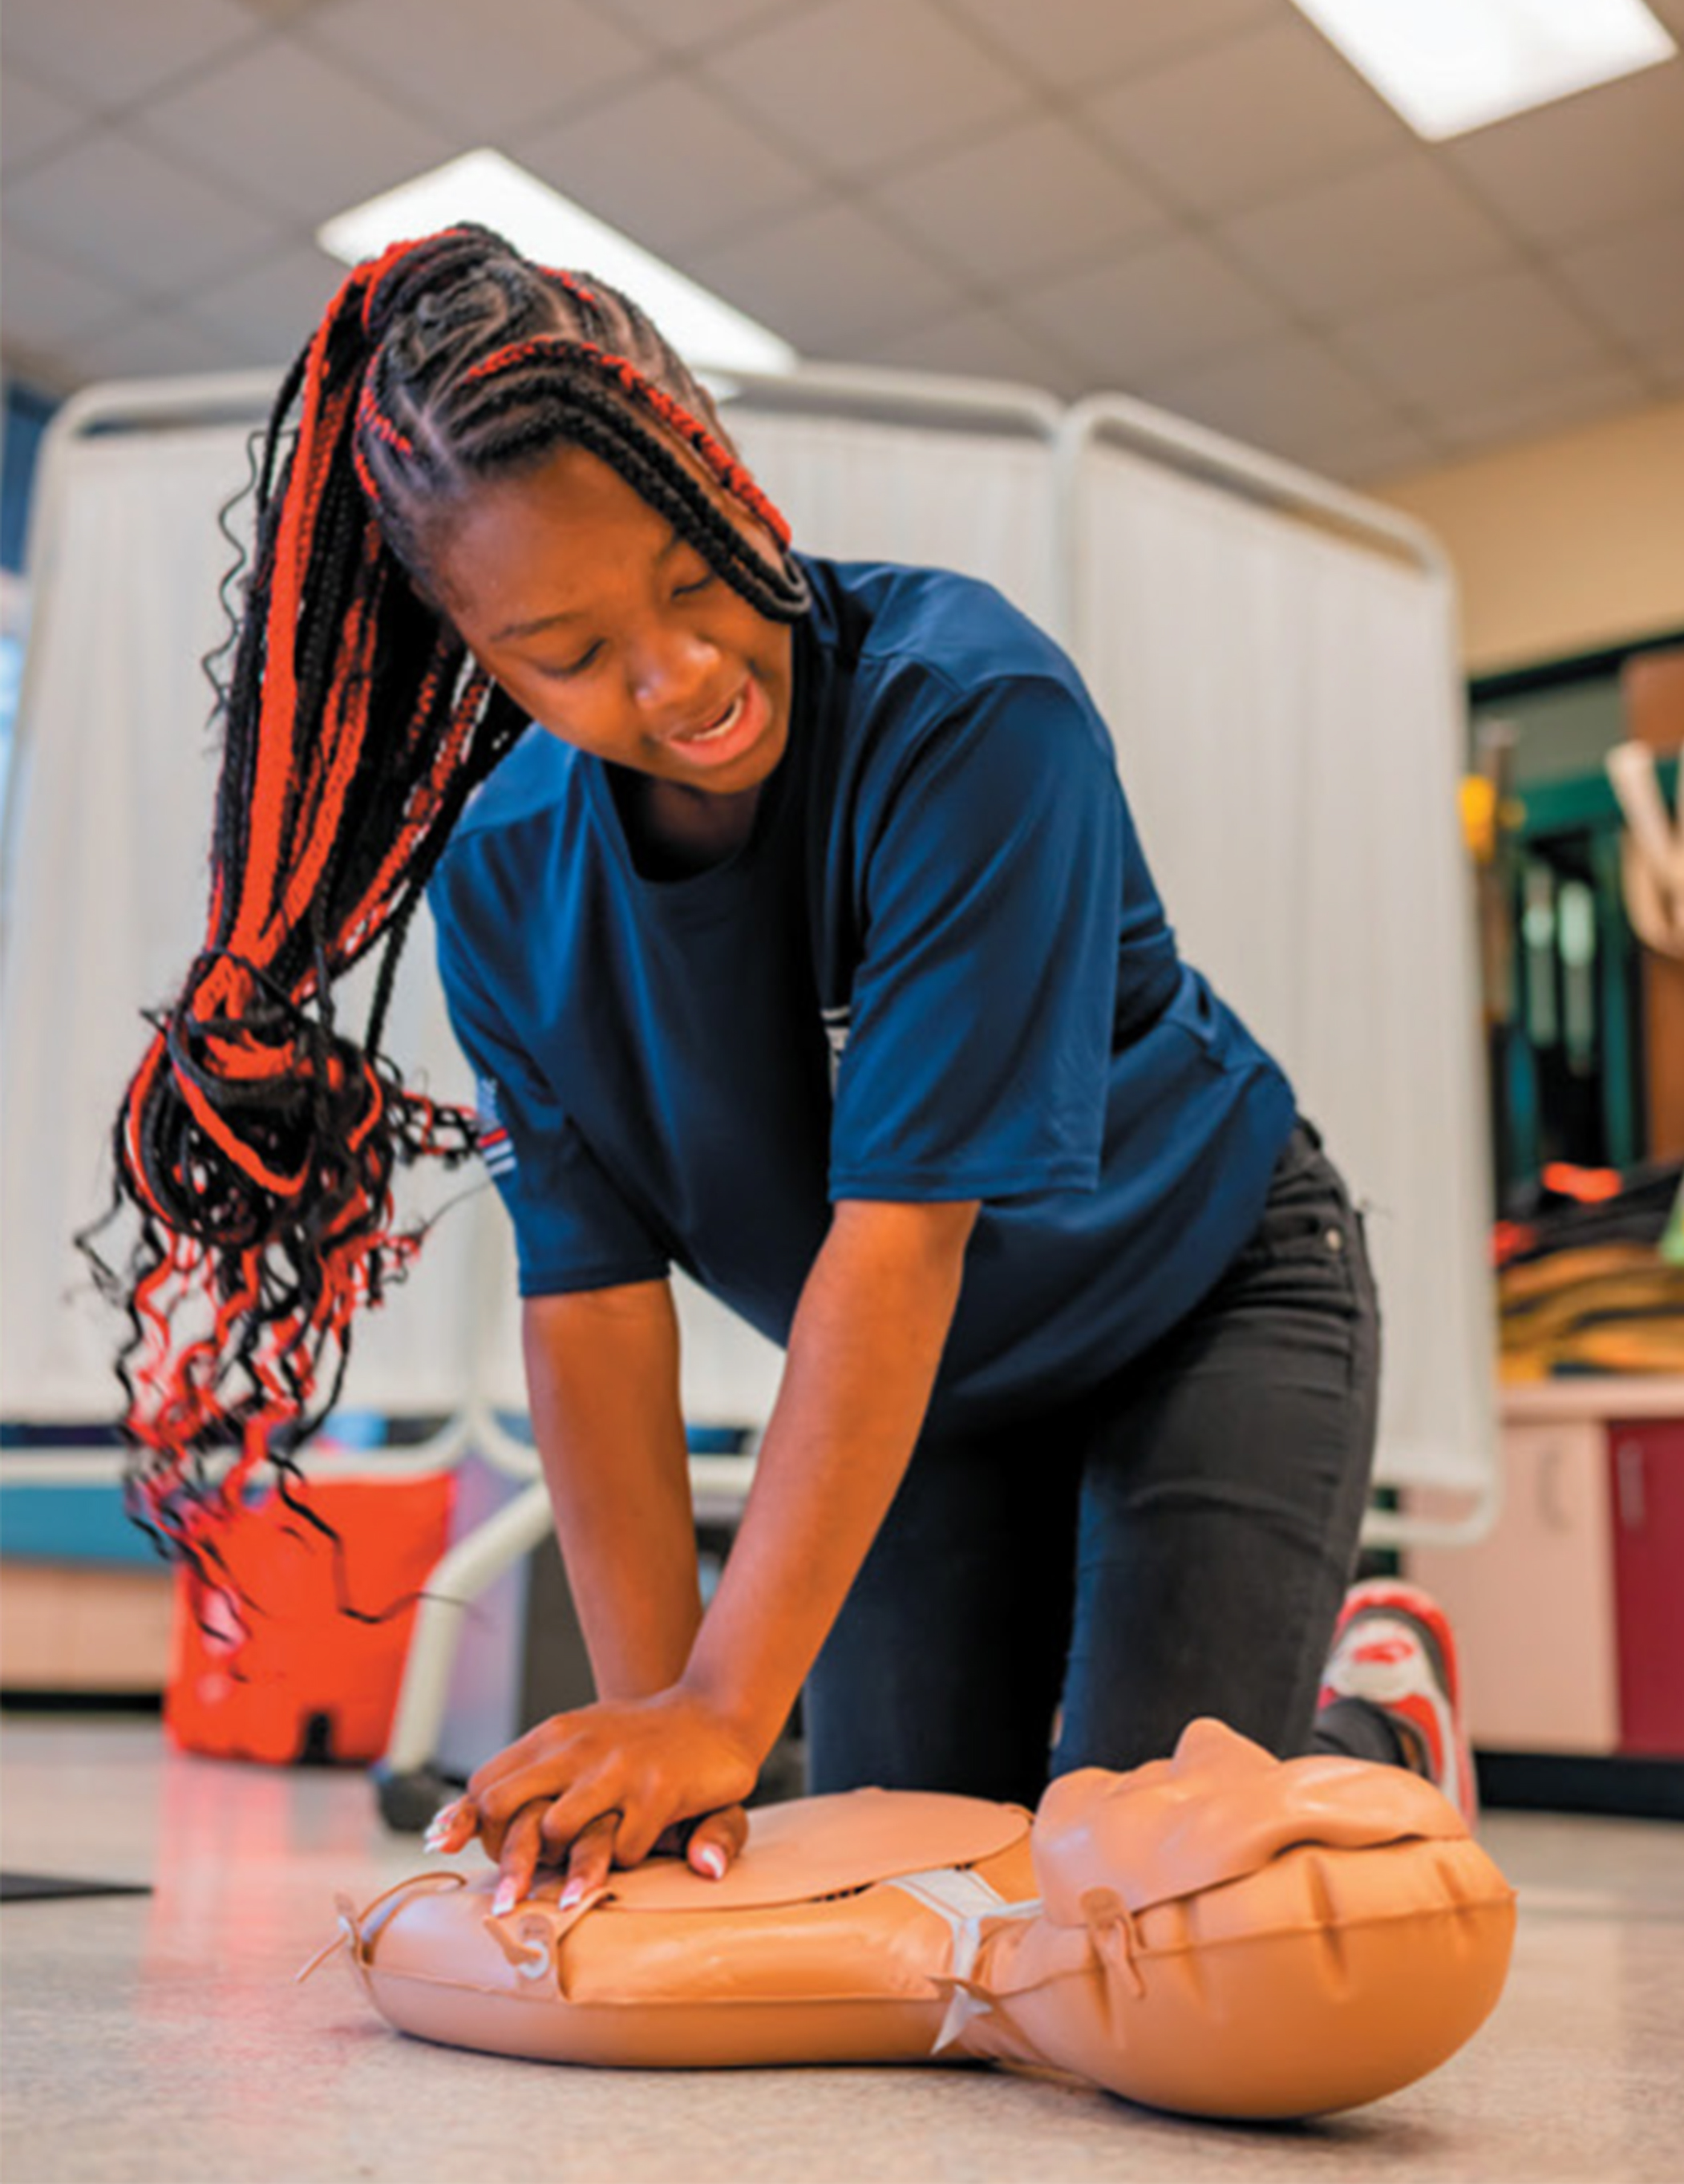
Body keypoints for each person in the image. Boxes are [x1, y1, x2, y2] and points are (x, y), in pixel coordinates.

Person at [96, 225, 1473, 1922]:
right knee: (900, 1887)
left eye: (691, 575)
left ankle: (1376, 1725)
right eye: (570, 653)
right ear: (475, 659)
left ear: (716, 464)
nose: (679, 678)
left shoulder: (969, 714)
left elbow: (900, 1244)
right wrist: (660, 1728)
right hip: (941, 1398)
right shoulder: (506, 877)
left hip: (1202, 1297)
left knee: (1130, 1896)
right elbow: (593, 1308)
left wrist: (724, 1710)